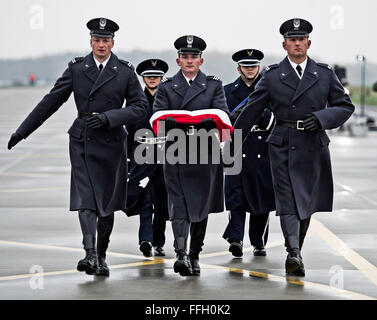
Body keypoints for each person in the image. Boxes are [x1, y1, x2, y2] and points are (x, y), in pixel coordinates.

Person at [7, 17, 148, 277]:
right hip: (83, 140)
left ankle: (101, 256)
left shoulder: (126, 71)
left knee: (106, 206)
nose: (101, 45)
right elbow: (51, 101)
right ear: (91, 41)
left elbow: (140, 107)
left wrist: (109, 118)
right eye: (97, 40)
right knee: (86, 200)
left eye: (106, 40)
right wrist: (22, 132)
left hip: (112, 142)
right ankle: (89, 254)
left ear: (113, 42)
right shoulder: (77, 68)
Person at [231, 18, 354, 276]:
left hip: (313, 144)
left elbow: (345, 106)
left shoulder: (324, 74)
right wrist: (231, 141)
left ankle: (295, 247)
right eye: (292, 40)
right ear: (284, 44)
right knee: (287, 201)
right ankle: (293, 253)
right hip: (282, 144)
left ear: (308, 43)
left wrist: (321, 118)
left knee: (306, 203)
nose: (297, 44)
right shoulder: (272, 75)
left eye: (301, 39)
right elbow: (252, 110)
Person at [152, 35, 229, 276]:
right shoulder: (165, 87)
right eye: (185, 57)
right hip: (176, 152)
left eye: (193, 57)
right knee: (179, 206)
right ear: (177, 60)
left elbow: (224, 115)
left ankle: (195, 253)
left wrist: (208, 122)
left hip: (205, 153)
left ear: (201, 60)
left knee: (200, 208)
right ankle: (181, 254)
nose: (189, 60)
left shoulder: (214, 85)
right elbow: (156, 118)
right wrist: (174, 122)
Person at [223, 49, 275, 257]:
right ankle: (235, 238)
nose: (250, 69)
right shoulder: (227, 91)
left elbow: (276, 119)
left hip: (262, 149)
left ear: (259, 67)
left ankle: (258, 241)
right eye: (246, 66)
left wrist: (260, 115)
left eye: (253, 66)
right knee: (235, 197)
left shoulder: (271, 90)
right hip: (236, 147)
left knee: (261, 198)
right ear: (238, 68)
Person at [125, 59, 170, 257]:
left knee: (162, 202)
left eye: (156, 76)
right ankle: (145, 239)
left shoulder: (169, 101)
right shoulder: (136, 102)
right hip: (141, 157)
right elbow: (128, 132)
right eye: (149, 76)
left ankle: (159, 242)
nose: (152, 79)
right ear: (143, 79)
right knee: (145, 199)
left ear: (161, 78)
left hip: (164, 158)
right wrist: (127, 161)